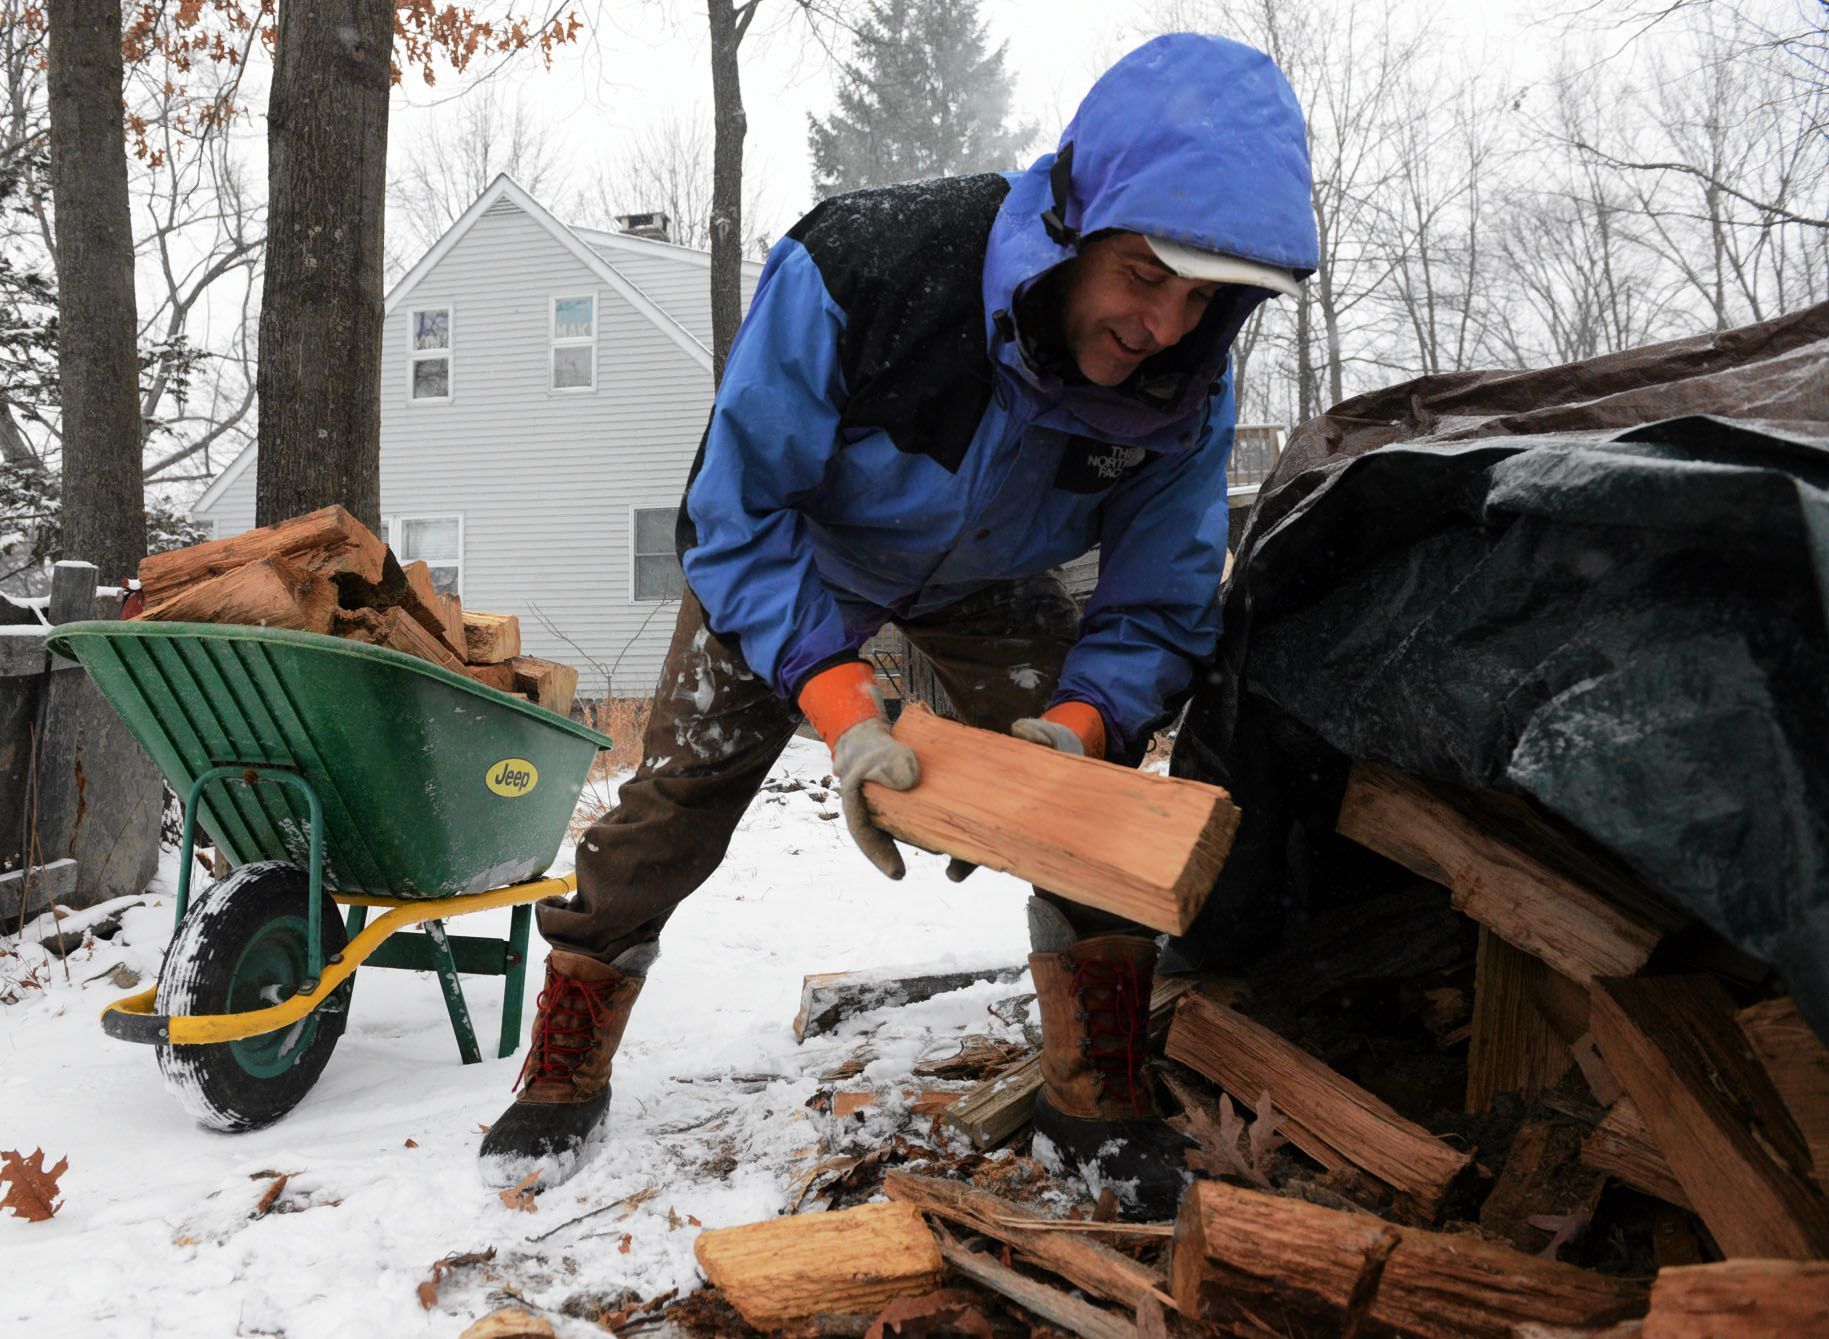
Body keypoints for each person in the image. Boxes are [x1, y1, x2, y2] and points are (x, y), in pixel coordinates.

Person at [480, 32, 1318, 1216]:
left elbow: (1160, 600)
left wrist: (1078, 728)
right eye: (1143, 275)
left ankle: (1097, 1088)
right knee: (675, 796)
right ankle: (564, 1065)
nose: (1165, 328)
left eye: (1208, 300)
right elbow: (734, 512)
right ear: (1075, 222)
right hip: (800, 552)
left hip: (990, 582)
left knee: (1094, 802)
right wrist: (836, 701)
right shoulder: (865, 267)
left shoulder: (1187, 386)